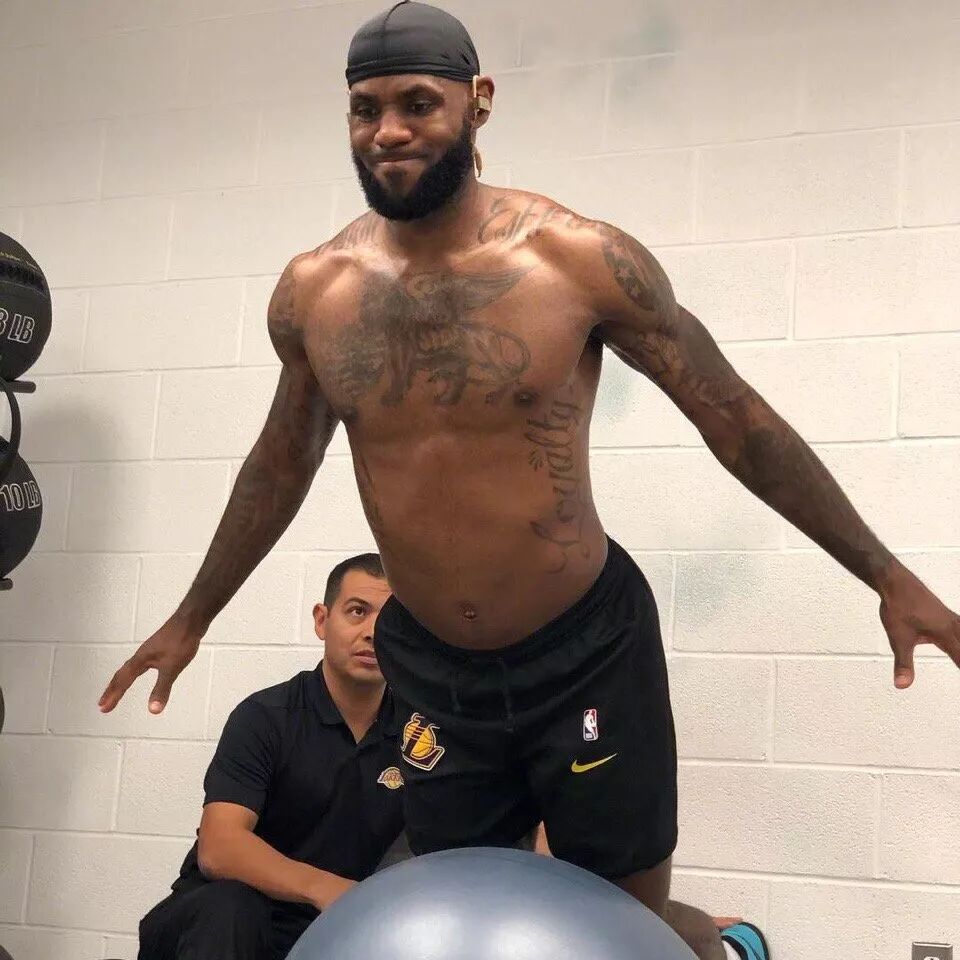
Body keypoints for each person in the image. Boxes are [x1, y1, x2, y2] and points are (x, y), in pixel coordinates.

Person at [101, 3, 959, 958]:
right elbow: (280, 462)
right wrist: (192, 617)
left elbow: (735, 417)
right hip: (432, 665)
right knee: (462, 911)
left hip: (584, 647)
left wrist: (885, 574)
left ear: (479, 101)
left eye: (417, 103)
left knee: (617, 919)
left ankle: (720, 947)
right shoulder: (315, 293)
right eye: (365, 109)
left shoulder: (577, 260)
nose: (388, 131)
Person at [137, 554, 405, 960]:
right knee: (233, 907)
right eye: (357, 611)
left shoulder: (419, 735)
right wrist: (324, 887)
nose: (372, 632)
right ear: (322, 620)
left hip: (323, 932)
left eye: (391, 619)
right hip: (214, 925)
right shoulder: (266, 717)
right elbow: (219, 847)